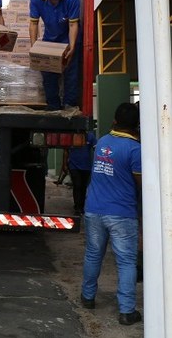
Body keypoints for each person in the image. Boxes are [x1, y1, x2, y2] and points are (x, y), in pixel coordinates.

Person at [81, 103, 142, 326]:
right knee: (126, 262)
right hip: (121, 214)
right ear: (136, 125)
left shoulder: (102, 142)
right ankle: (126, 311)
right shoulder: (136, 150)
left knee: (93, 255)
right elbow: (140, 183)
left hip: (94, 209)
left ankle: (87, 297)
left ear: (115, 120)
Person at [29, 0, 82, 110]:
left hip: (68, 38)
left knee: (70, 72)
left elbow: (73, 24)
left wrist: (72, 47)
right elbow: (33, 23)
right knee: (48, 73)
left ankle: (69, 105)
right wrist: (34, 47)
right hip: (50, 39)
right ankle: (53, 105)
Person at [68, 131, 96, 214]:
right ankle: (77, 207)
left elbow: (96, 147)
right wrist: (64, 164)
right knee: (77, 185)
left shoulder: (90, 136)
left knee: (83, 187)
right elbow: (66, 150)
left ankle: (81, 206)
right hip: (74, 165)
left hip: (86, 166)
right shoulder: (71, 136)